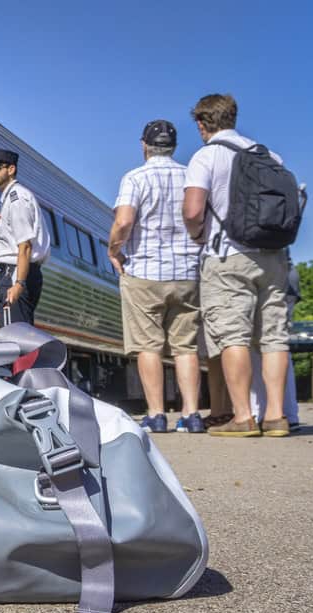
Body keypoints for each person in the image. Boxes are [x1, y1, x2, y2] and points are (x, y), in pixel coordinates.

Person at [182, 93, 292, 437]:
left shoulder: (206, 155)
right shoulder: (269, 155)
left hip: (227, 256)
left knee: (233, 337)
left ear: (202, 124)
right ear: (232, 117)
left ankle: (242, 417)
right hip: (273, 256)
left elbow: (192, 210)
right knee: (274, 337)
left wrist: (197, 235)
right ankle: (275, 416)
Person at [107, 120, 204, 434]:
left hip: (145, 272)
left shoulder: (135, 178)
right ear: (173, 147)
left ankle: (156, 414)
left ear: (144, 145)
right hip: (187, 273)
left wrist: (114, 250)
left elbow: (123, 222)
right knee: (185, 347)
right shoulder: (191, 175)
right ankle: (191, 415)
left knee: (148, 346)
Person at [0, 148, 50, 325]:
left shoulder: (17, 199)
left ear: (11, 169)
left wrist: (19, 283)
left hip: (16, 273)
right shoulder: (10, 198)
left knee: (13, 339)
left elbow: (25, 245)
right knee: (19, 336)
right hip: (20, 272)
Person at [250, 260, 302, 429]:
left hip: (255, 270)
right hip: (284, 271)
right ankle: (287, 414)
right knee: (277, 344)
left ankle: (261, 413)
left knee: (254, 347)